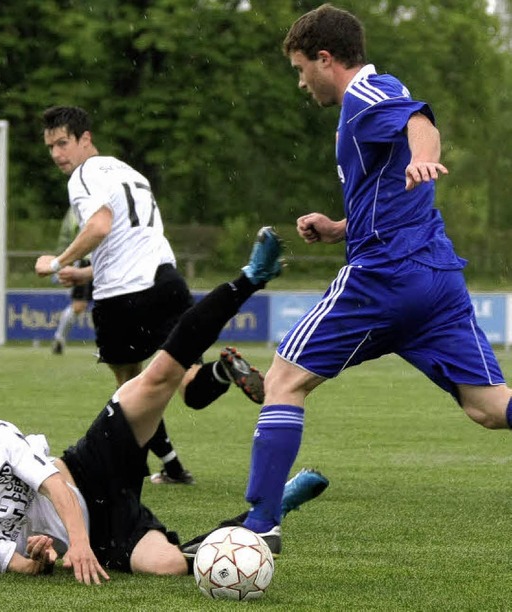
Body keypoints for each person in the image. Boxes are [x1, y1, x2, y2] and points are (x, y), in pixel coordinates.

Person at [184, 3, 512, 557]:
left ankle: (260, 524)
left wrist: (425, 158)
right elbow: (390, 177)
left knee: (284, 382)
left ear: (325, 58)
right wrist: (340, 227)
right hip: (436, 278)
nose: (300, 81)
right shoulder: (378, 90)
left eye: (299, 68)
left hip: (386, 276)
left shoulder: (364, 97)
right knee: (489, 407)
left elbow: (420, 124)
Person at [0, 228, 291, 583]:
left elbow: (52, 484)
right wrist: (41, 558)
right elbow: (18, 566)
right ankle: (267, 514)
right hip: (104, 533)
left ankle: (250, 278)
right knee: (166, 565)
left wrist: (76, 545)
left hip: (87, 468)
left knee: (159, 375)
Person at [35, 105, 267, 486]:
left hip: (121, 298)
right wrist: (82, 272)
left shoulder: (83, 176)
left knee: (132, 390)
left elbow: (99, 225)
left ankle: (142, 470)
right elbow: (128, 243)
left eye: (63, 143)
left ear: (85, 139)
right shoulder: (130, 173)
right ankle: (221, 374)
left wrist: (57, 262)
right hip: (165, 283)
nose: (57, 154)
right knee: (188, 384)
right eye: (51, 147)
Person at [51, 206, 94, 355]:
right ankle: (59, 338)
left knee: (109, 304)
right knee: (79, 305)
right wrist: (60, 262)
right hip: (85, 261)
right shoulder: (76, 209)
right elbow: (66, 237)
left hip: (105, 259)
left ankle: (109, 344)